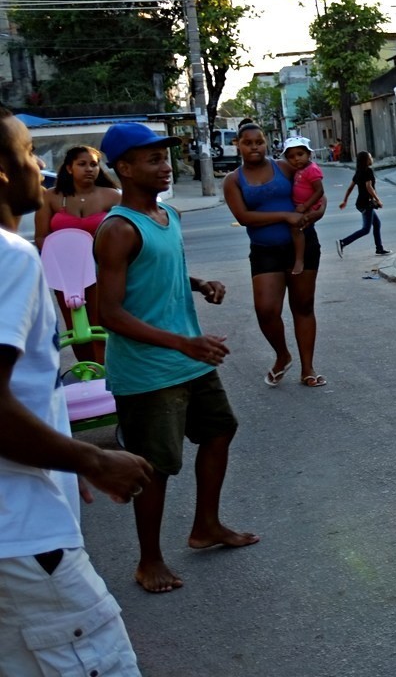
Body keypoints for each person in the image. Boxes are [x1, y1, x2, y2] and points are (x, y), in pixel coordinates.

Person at [0, 107, 151, 675]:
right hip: (21, 534)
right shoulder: (9, 257)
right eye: (26, 154)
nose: (38, 168)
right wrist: (90, 458)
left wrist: (58, 454)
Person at [94, 121, 260, 594]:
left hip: (189, 357)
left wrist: (200, 283)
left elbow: (159, 270)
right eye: (152, 160)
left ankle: (206, 525)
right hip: (149, 369)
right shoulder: (118, 229)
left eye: (165, 158)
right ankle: (149, 561)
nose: (165, 167)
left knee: (220, 429)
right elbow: (110, 312)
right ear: (123, 168)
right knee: (154, 466)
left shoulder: (168, 217)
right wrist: (182, 342)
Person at [224, 122, 327, 388]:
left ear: (266, 142)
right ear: (239, 145)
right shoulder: (233, 180)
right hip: (264, 251)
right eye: (248, 143)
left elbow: (317, 192)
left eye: (259, 141)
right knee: (266, 310)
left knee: (303, 306)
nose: (254, 147)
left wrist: (316, 212)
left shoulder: (285, 168)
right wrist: (284, 215)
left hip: (302, 246)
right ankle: (283, 355)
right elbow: (244, 217)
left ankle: (308, 368)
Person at [33, 144, 121, 364]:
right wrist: (59, 259)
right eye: (82, 164)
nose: (89, 169)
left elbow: (126, 233)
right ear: (69, 168)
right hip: (66, 276)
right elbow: (41, 237)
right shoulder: (50, 197)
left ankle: (108, 374)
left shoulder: (113, 196)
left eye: (94, 164)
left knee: (101, 323)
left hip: (103, 271)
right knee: (76, 328)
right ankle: (87, 372)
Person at [283, 138, 326, 275]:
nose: (296, 159)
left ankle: (299, 260)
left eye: (300, 154)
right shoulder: (299, 169)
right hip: (301, 205)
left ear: (309, 154)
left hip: (309, 206)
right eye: (291, 157)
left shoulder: (312, 169)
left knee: (296, 228)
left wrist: (305, 205)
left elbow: (320, 191)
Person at [336, 150, 390, 257]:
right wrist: (378, 199)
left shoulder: (359, 172)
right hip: (366, 203)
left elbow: (350, 188)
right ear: (366, 160)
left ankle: (379, 248)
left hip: (361, 203)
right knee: (365, 229)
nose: (372, 159)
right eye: (370, 157)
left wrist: (345, 201)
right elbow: (369, 187)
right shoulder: (368, 171)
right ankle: (343, 242)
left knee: (377, 224)